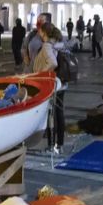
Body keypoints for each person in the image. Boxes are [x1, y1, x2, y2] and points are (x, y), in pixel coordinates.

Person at [33, 23, 66, 152]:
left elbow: (53, 62)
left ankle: (52, 145)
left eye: (40, 31)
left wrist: (42, 74)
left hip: (53, 83)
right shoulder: (59, 43)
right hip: (62, 83)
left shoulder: (47, 46)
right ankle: (60, 145)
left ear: (43, 32)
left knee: (52, 115)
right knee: (59, 113)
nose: (39, 34)